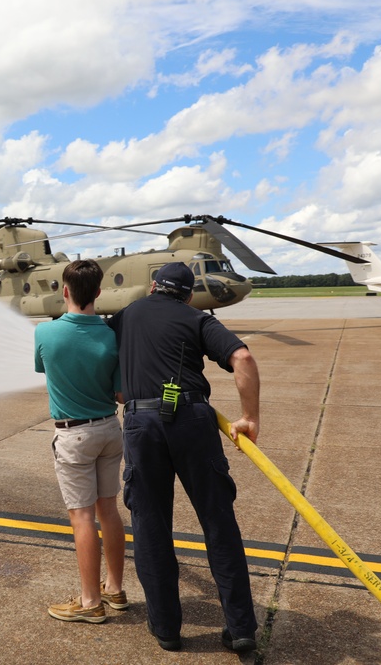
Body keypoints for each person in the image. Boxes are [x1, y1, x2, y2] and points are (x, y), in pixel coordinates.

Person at [107, 262, 259, 653]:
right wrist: (249, 418)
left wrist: (120, 390)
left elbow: (99, 355)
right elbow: (241, 357)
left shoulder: (125, 316)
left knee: (151, 528)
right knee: (218, 523)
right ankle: (241, 628)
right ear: (189, 295)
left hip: (142, 422)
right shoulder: (197, 318)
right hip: (193, 419)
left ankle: (167, 630)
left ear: (154, 287)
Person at [34, 259, 128, 625]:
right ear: (99, 293)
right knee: (110, 511)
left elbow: (44, 368)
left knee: (82, 517)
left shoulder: (45, 332)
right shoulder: (111, 336)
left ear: (65, 291)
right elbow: (119, 391)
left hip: (73, 435)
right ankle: (115, 589)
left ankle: (90, 602)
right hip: (109, 430)